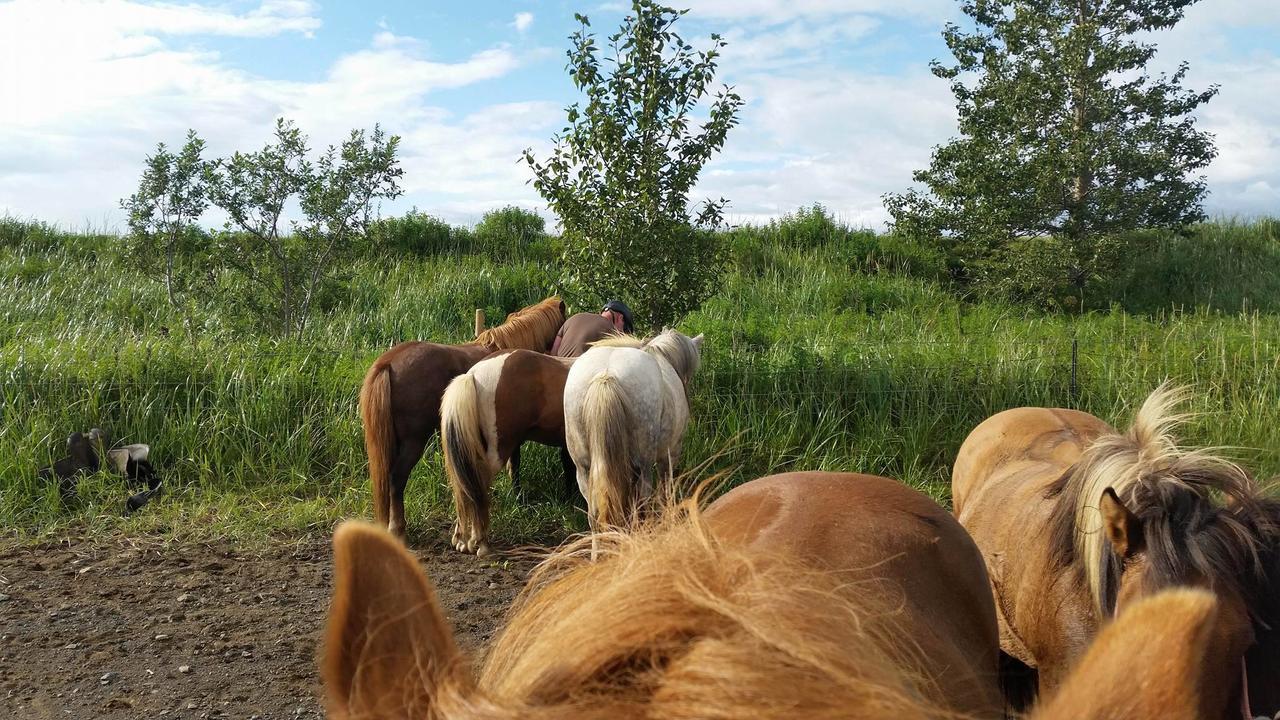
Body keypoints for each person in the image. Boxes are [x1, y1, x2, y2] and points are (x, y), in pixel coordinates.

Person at [551, 299, 635, 357]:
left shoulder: (574, 317)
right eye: (625, 330)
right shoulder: (611, 330)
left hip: (556, 374)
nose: (622, 333)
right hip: (580, 377)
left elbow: (553, 354)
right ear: (620, 318)